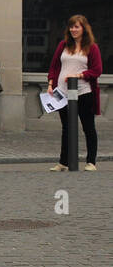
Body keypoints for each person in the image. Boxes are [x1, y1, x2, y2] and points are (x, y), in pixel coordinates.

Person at [47, 14, 102, 172]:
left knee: (88, 127)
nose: (73, 29)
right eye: (71, 26)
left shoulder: (92, 47)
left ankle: (91, 162)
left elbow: (97, 70)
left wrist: (80, 75)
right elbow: (54, 67)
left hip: (84, 92)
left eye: (77, 26)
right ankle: (63, 162)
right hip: (62, 92)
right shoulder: (63, 45)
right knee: (66, 128)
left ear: (84, 28)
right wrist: (51, 83)